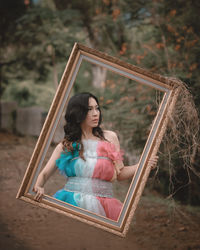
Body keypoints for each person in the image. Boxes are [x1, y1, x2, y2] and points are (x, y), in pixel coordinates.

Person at [34, 92, 158, 221]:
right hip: (71, 202)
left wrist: (143, 165)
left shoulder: (110, 137)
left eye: (97, 108)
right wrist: (38, 186)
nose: (96, 113)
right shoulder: (67, 145)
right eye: (89, 109)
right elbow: (44, 175)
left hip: (105, 206)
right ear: (77, 113)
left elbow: (120, 173)